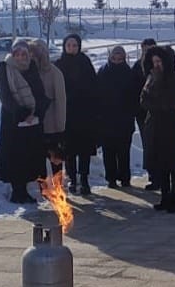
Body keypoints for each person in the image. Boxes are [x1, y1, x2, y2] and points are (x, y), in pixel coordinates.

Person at [0, 40, 49, 204]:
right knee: (15, 157)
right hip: (13, 120)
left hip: (32, 122)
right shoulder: (4, 69)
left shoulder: (32, 68)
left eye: (23, 54)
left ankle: (24, 191)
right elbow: (5, 96)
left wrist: (37, 112)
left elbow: (40, 92)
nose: (20, 57)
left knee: (29, 156)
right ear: (12, 54)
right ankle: (17, 192)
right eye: (17, 54)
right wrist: (22, 113)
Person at [141, 45, 175, 212]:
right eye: (154, 62)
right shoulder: (151, 79)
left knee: (173, 164)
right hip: (155, 126)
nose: (156, 65)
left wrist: (155, 101)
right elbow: (143, 100)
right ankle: (165, 197)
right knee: (161, 163)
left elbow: (170, 104)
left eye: (159, 61)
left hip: (171, 127)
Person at [54, 34, 98, 195]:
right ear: (64, 47)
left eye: (74, 45)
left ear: (79, 46)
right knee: (70, 150)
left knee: (84, 149)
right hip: (67, 113)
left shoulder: (85, 63)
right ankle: (72, 178)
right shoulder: (59, 64)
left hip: (84, 113)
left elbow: (94, 85)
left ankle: (84, 179)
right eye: (69, 45)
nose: (72, 48)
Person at [95, 45, 139, 189]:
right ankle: (111, 178)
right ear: (110, 57)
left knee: (124, 151)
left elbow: (135, 96)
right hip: (106, 119)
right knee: (108, 151)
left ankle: (125, 178)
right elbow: (97, 94)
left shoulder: (129, 73)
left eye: (120, 58)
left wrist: (131, 112)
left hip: (124, 119)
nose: (117, 60)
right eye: (114, 57)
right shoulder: (103, 72)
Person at [29, 41, 67, 183]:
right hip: (34, 125)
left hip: (52, 126)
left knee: (55, 160)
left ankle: (58, 189)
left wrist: (60, 128)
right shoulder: (28, 73)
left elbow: (61, 101)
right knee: (38, 161)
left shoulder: (54, 72)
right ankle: (43, 190)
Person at [133, 38, 159, 189]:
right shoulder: (137, 66)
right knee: (147, 144)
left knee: (158, 144)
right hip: (142, 113)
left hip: (158, 112)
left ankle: (161, 176)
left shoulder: (159, 66)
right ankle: (152, 175)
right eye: (145, 49)